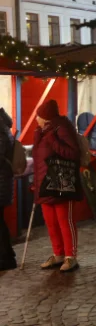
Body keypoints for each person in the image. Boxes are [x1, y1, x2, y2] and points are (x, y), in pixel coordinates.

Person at [32, 100, 82, 272]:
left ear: (45, 117)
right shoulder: (41, 132)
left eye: (38, 116)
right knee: (51, 222)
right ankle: (58, 254)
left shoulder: (61, 128)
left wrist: (52, 139)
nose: (36, 119)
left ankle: (71, 256)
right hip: (45, 184)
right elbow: (40, 161)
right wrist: (37, 185)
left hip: (61, 183)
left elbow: (74, 153)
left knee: (65, 221)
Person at [0, 108, 16, 271]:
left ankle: (6, 259)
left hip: (1, 182)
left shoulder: (1, 129)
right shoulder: (4, 126)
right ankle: (7, 254)